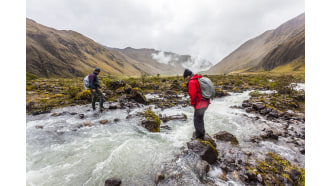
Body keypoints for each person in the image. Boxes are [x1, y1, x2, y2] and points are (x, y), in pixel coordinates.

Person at [183, 69, 210, 140]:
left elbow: (193, 94)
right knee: (200, 119)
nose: (186, 79)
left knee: (196, 120)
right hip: (205, 102)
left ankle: (199, 138)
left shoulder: (192, 82)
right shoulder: (198, 79)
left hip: (200, 104)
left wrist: (192, 103)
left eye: (185, 77)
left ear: (188, 76)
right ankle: (202, 134)